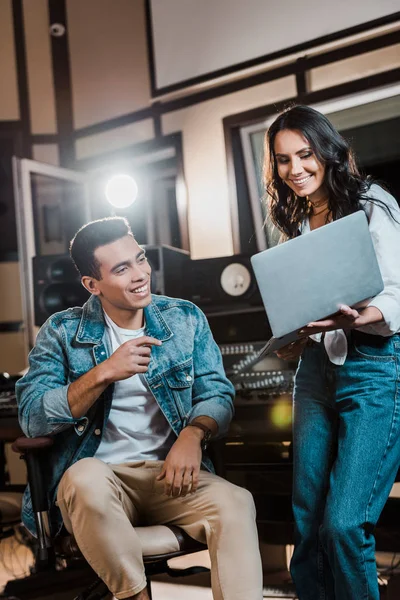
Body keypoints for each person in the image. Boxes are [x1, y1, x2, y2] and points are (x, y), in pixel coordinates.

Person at [16, 216, 263, 600]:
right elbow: (33, 416)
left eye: (140, 259)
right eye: (121, 268)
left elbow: (217, 393)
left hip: (171, 477)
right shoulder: (61, 332)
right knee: (83, 478)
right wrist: (103, 373)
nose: (139, 274)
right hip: (102, 484)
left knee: (236, 501)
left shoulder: (184, 319)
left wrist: (193, 435)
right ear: (91, 284)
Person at [263, 104, 400, 600]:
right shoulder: (297, 221)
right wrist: (294, 336)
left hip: (373, 365)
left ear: (329, 152)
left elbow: (396, 294)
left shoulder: (372, 203)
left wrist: (359, 318)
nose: (295, 169)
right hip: (314, 370)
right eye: (282, 160)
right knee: (308, 522)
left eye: (305, 154)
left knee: (344, 524)